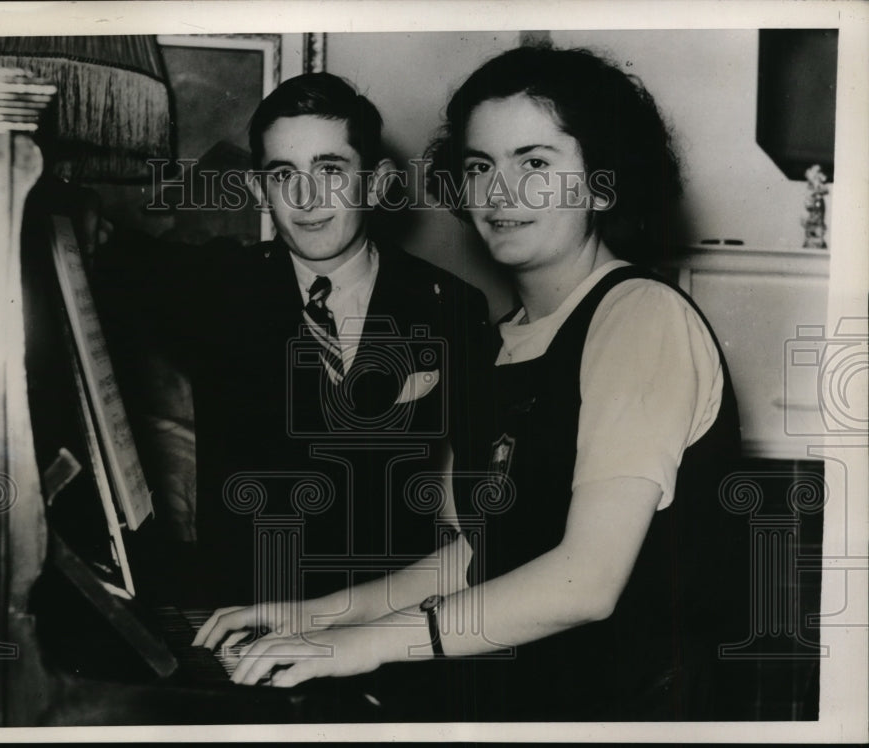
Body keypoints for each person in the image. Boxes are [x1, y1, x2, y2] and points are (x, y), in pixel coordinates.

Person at [195, 46, 748, 721]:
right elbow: (483, 557)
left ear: (604, 185)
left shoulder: (639, 318)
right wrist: (312, 615)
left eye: (535, 163)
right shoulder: (512, 338)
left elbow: (585, 584)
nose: (500, 192)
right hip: (539, 700)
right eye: (481, 167)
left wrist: (359, 647)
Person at [187, 73, 491, 613]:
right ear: (260, 190)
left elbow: (463, 502)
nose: (305, 198)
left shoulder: (450, 307)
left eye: (330, 170)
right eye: (284, 175)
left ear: (376, 183)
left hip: (389, 622)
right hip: (245, 618)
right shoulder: (212, 292)